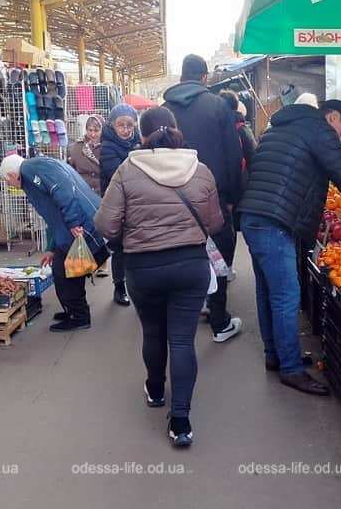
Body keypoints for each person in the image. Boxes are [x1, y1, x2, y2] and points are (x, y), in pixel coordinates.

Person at [238, 99, 341, 395]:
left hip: (254, 217)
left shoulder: (279, 128)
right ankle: (291, 370)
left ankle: (276, 355)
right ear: (333, 117)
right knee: (286, 294)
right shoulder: (319, 130)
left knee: (268, 291)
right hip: (274, 222)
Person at [95, 107, 223, 447]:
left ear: (142, 134)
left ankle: (155, 390)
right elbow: (215, 223)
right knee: (182, 340)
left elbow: (106, 225)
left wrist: (135, 231)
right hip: (190, 267)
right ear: (176, 130)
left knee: (153, 331)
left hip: (143, 268)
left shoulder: (127, 170)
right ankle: (181, 422)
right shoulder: (201, 169)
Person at [163, 54, 243, 343]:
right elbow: (233, 155)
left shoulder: (163, 110)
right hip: (213, 196)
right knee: (218, 255)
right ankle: (219, 320)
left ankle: (184, 313)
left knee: (177, 255)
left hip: (170, 199)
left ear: (182, 75)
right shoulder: (218, 106)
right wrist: (233, 196)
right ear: (204, 77)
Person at [0, 154, 108, 332]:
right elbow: (52, 216)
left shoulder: (30, 169)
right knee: (71, 271)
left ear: (12, 175)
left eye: (7, 181)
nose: (10, 185)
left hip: (79, 225)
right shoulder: (37, 169)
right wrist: (51, 248)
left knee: (65, 272)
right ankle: (74, 311)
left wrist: (73, 221)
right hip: (79, 224)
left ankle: (79, 316)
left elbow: (62, 189)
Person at [100, 104, 140, 307]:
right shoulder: (107, 146)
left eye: (129, 125)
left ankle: (137, 287)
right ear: (112, 125)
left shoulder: (138, 142)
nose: (126, 129)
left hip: (136, 203)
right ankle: (119, 287)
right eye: (121, 125)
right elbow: (115, 173)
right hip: (117, 203)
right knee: (119, 248)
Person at [219, 89, 257, 187]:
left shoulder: (216, 128)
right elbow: (254, 159)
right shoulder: (244, 130)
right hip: (241, 187)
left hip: (223, 186)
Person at [67, 114, 104, 195]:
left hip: (102, 192)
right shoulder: (77, 147)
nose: (93, 134)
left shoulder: (107, 147)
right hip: (83, 192)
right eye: (90, 130)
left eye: (96, 130)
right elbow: (70, 171)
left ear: (102, 130)